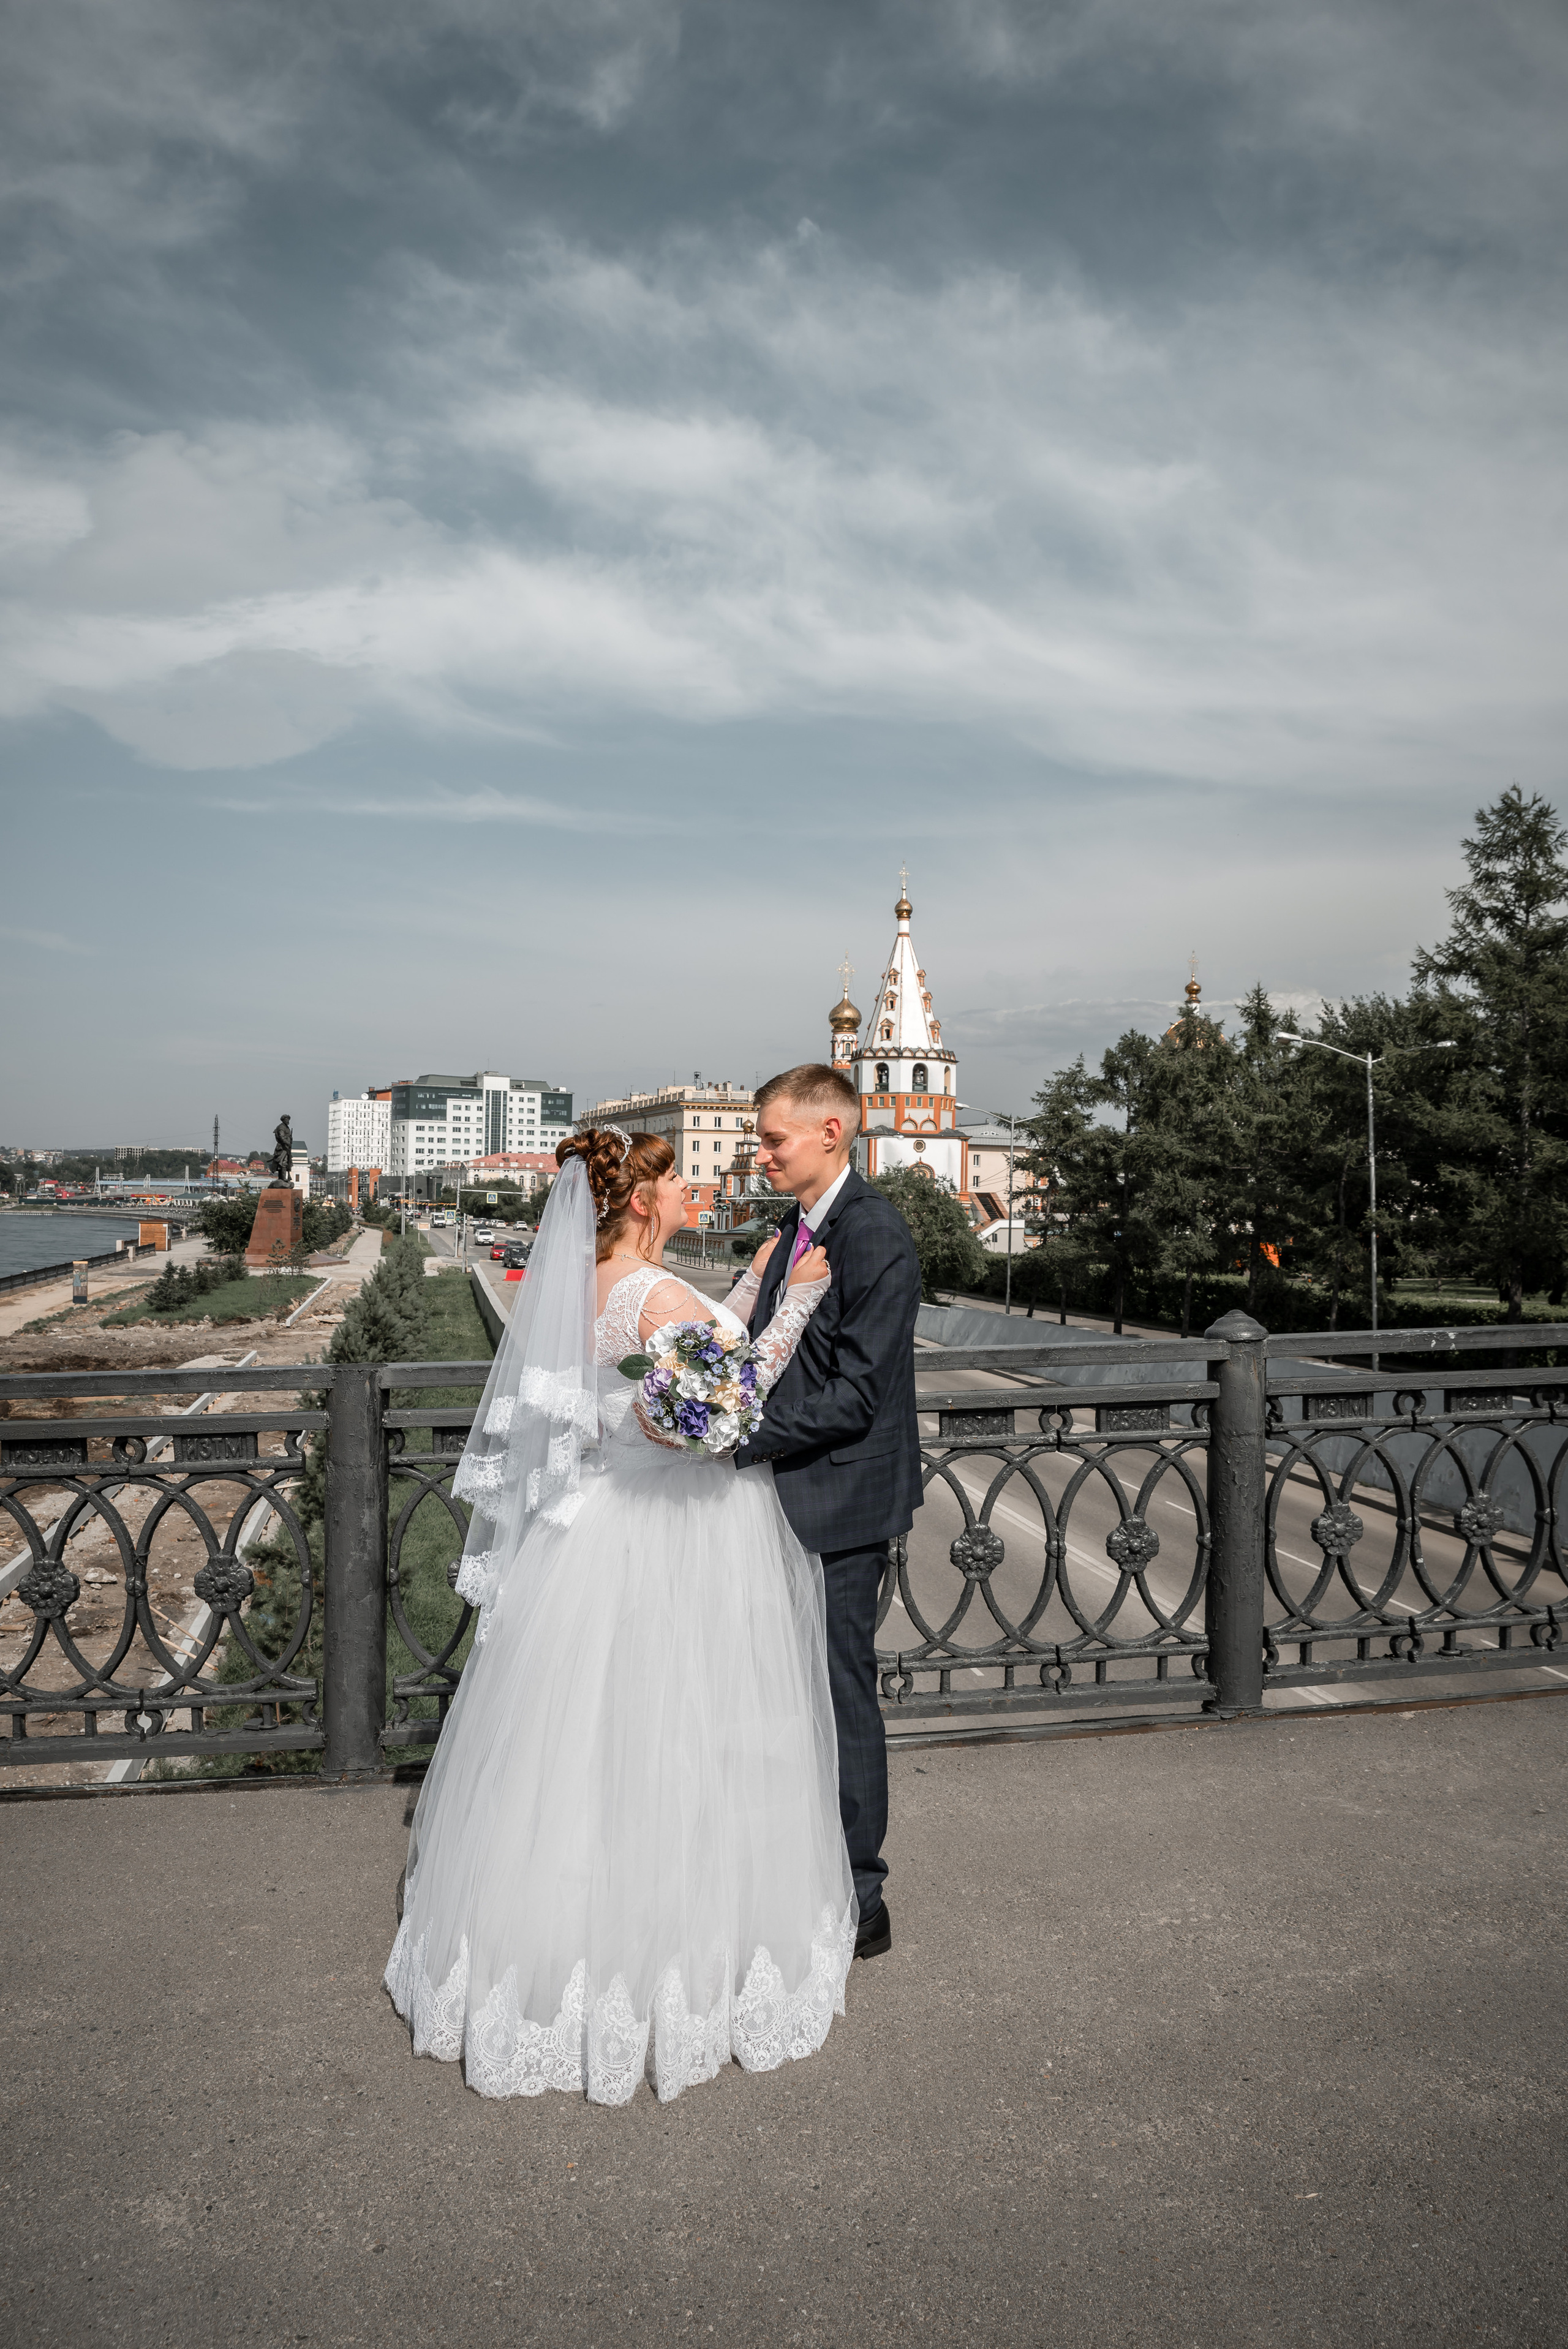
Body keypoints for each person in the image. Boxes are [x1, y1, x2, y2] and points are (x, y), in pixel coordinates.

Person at [385, 1127, 853, 2106]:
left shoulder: (595, 1285)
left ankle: (550, 1944)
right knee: (688, 1732)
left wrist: (747, 1282)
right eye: (679, 1179)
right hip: (681, 1529)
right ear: (642, 1200)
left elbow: (673, 1352)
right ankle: (671, 1961)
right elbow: (732, 1391)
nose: (691, 1191)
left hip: (595, 1527)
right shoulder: (658, 1295)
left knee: (583, 1745)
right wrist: (798, 1298)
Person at [732, 1064, 922, 1962]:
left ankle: (860, 1896)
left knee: (839, 1693)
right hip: (787, 1488)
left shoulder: (872, 1230)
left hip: (838, 1498)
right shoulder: (799, 1223)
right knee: (787, 1692)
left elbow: (856, 1396)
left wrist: (737, 1438)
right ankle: (799, 1870)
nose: (759, 1152)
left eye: (773, 1139)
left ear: (831, 1136)